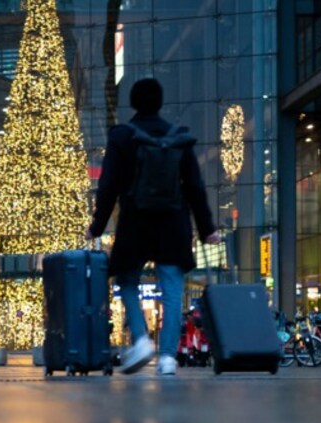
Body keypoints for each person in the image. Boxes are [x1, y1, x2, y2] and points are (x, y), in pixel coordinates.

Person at [86, 78, 221, 376]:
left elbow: (107, 186)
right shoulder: (179, 137)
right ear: (160, 102)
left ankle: (141, 339)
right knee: (172, 291)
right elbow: (195, 187)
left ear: (133, 102)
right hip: (173, 224)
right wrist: (207, 228)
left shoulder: (122, 137)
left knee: (127, 282)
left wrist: (97, 227)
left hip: (135, 222)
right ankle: (168, 358)